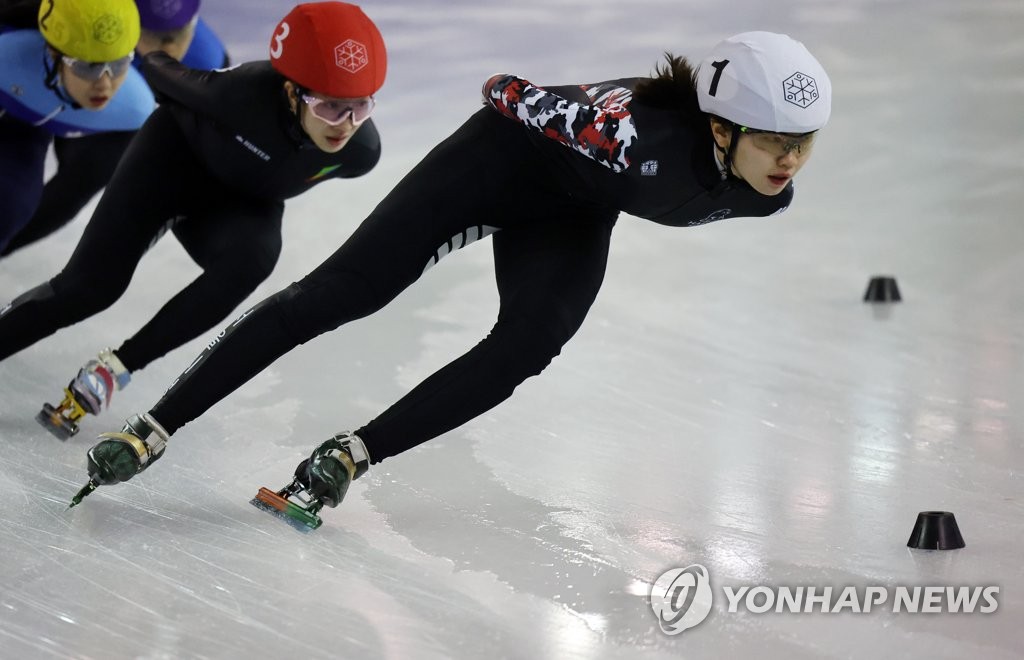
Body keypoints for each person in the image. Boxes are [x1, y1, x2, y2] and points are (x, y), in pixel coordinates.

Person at [71, 32, 832, 529]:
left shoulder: (764, 195)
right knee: (345, 293)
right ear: (721, 129)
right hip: (495, 164)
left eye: (802, 144)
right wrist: (583, 114)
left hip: (571, 209)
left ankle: (348, 456)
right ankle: (155, 428)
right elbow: (503, 88)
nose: (789, 163)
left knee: (531, 345)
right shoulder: (635, 139)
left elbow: (655, 187)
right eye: (774, 142)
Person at [0, 1, 386, 438]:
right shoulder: (237, 94)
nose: (346, 124)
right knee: (89, 289)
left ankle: (116, 368)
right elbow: (158, 66)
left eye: (361, 107)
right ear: (292, 91)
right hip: (168, 167)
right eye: (332, 108)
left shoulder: (360, 155)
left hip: (236, 205)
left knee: (256, 257)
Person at [0, 0, 230, 257]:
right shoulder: (18, 42)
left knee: (17, 202)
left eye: (120, 63)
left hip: (85, 113)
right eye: (150, 33)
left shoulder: (139, 102)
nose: (169, 48)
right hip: (29, 81)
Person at [0, 0, 153, 252]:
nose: (105, 84)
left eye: (118, 64)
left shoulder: (133, 109)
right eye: (88, 66)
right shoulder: (7, 56)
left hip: (30, 126)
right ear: (53, 53)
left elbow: (72, 195)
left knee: (11, 204)